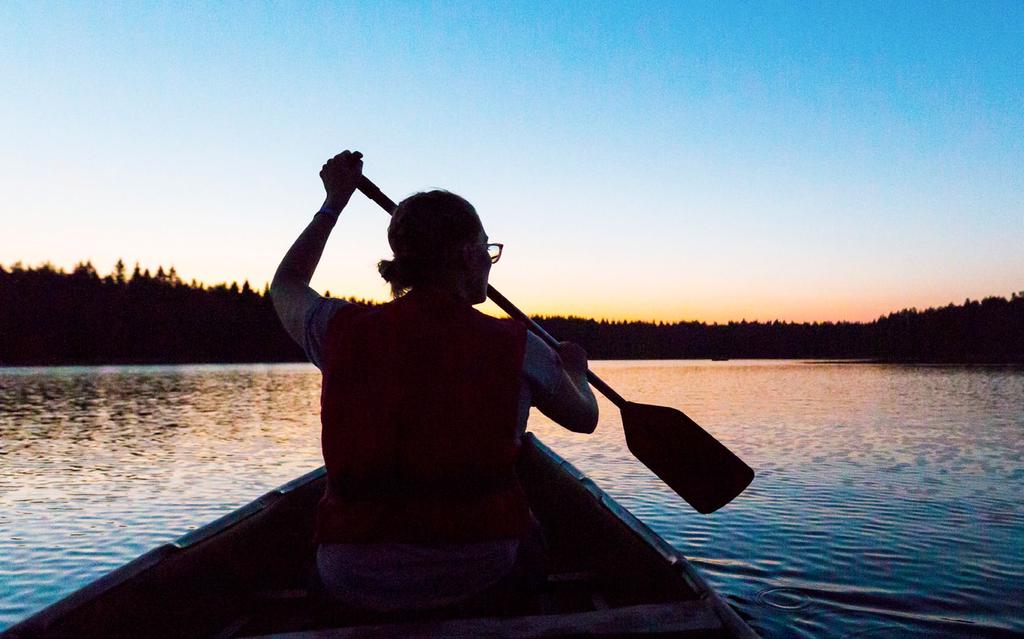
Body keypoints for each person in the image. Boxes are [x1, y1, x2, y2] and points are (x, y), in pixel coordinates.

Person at [270, 150, 598, 614]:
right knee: (535, 538)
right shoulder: (517, 344)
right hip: (483, 575)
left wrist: (333, 204)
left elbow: (285, 283)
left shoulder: (338, 328)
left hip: (352, 580)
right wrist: (576, 373)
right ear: (467, 256)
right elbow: (584, 418)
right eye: (486, 250)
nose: (489, 261)